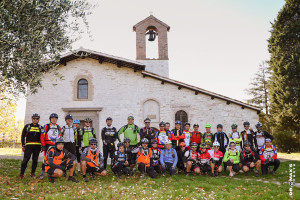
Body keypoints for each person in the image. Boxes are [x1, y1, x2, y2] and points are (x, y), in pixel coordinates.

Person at [19, 113, 42, 179]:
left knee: (35, 160)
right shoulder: (27, 126)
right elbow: (23, 136)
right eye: (34, 118)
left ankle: (32, 173)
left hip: (37, 146)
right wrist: (23, 145)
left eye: (37, 118)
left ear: (38, 119)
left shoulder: (40, 127)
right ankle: (21, 174)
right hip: (28, 146)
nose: (35, 120)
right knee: (25, 160)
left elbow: (42, 137)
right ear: (32, 119)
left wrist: (43, 146)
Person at [39, 113, 62, 179]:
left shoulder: (58, 127)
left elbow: (60, 136)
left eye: (55, 119)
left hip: (55, 145)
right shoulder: (46, 126)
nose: (54, 120)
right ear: (50, 119)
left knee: (54, 159)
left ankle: (51, 173)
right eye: (52, 118)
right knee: (45, 159)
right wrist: (43, 145)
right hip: (47, 145)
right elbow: (42, 135)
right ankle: (42, 173)